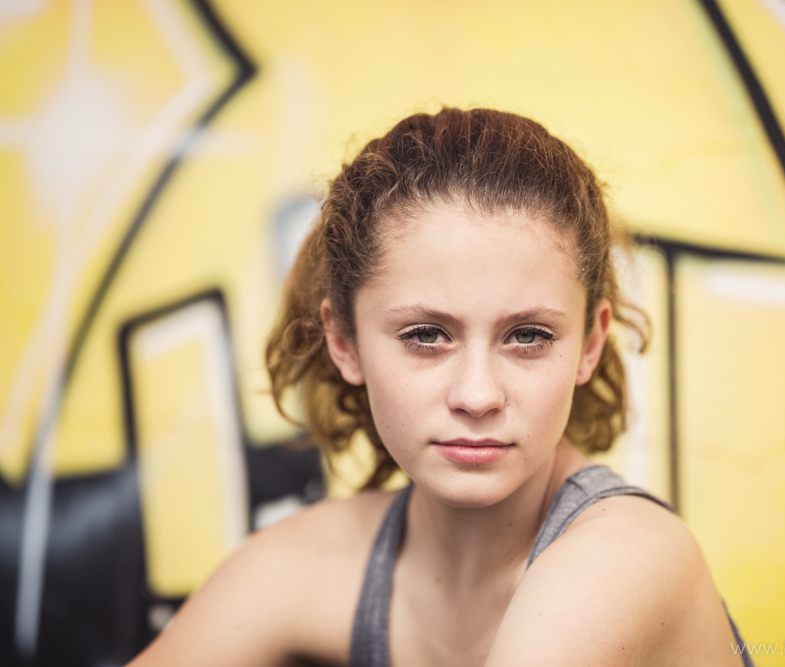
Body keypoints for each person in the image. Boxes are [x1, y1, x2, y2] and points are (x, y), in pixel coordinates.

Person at [129, 107, 752, 667]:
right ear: (343, 341)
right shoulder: (312, 559)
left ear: (590, 343)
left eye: (529, 335)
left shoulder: (622, 563)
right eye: (426, 335)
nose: (478, 395)